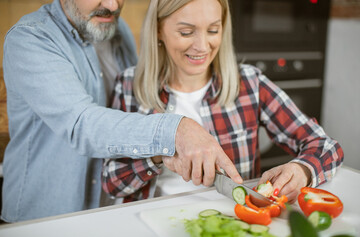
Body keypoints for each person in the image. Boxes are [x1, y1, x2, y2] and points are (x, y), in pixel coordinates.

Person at [2, 0, 241, 222]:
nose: (112, 5)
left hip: (106, 214)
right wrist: (176, 130)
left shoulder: (115, 28)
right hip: (44, 220)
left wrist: (161, 154)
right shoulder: (31, 38)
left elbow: (133, 107)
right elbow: (81, 124)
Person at [102, 0, 344, 204]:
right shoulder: (129, 86)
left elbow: (326, 146)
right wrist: (158, 155)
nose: (202, 46)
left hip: (232, 220)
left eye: (213, 30)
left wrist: (302, 170)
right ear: (158, 29)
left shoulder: (250, 83)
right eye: (186, 32)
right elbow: (112, 182)